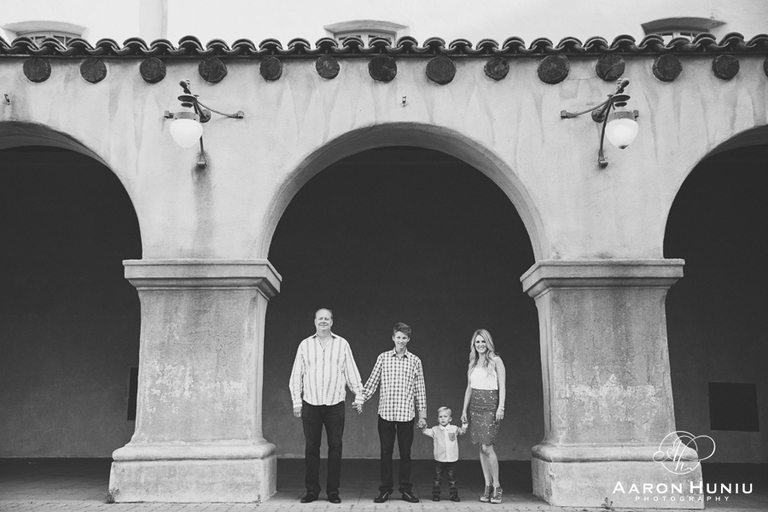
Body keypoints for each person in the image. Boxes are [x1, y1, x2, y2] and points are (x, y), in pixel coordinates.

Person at [289, 308, 364, 504]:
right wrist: (297, 401)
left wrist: (359, 395)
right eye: (320, 318)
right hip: (311, 404)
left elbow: (351, 371)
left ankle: (333, 492)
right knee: (311, 448)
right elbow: (297, 374)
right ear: (315, 322)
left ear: (332, 322)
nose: (323, 321)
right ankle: (312, 491)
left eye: (327, 318)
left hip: (335, 404)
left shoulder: (342, 344)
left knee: (335, 448)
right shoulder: (305, 345)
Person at [359, 322, 427, 503]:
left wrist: (423, 416)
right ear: (393, 338)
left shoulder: (415, 361)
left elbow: (420, 389)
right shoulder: (383, 358)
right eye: (398, 337)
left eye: (404, 338)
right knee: (386, 451)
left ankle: (405, 489)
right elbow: (372, 382)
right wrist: (360, 400)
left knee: (405, 453)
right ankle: (385, 489)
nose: (401, 341)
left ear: (408, 339)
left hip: (406, 415)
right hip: (386, 414)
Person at [461, 328, 506, 504]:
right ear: (474, 344)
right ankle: (487, 486)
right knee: (481, 447)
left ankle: (497, 486)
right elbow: (469, 388)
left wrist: (500, 407)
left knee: (488, 447)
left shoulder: (496, 361)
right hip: (475, 406)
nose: (480, 345)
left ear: (488, 343)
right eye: (477, 342)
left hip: (490, 405)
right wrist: (464, 410)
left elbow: (502, 385)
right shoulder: (472, 363)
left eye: (483, 341)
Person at [420, 406, 467, 502]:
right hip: (439, 459)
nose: (442, 418)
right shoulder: (435, 429)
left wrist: (464, 424)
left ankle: (454, 495)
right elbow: (425, 431)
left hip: (452, 459)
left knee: (452, 478)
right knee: (437, 478)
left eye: (445, 416)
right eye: (440, 417)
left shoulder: (454, 429)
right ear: (437, 419)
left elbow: (462, 432)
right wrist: (422, 426)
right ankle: (436, 494)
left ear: (450, 419)